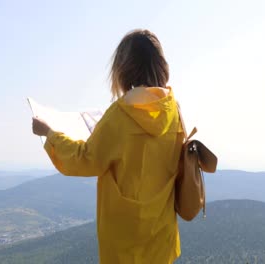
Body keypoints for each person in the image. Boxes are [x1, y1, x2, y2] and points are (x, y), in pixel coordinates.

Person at [32, 29, 184, 264]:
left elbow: (84, 159)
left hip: (124, 241)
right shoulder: (173, 110)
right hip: (161, 235)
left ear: (123, 68)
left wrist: (49, 133)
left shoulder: (121, 114)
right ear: (160, 63)